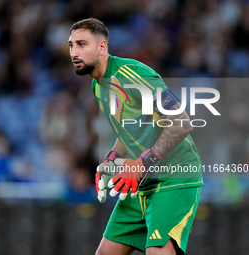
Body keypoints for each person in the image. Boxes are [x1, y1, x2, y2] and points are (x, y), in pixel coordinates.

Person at [68, 18, 203, 255]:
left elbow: (181, 123)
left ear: (102, 47)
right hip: (142, 179)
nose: (74, 52)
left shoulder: (133, 75)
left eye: (81, 44)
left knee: (157, 252)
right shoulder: (98, 86)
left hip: (174, 176)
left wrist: (141, 164)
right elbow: (129, 130)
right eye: (71, 45)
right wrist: (110, 159)